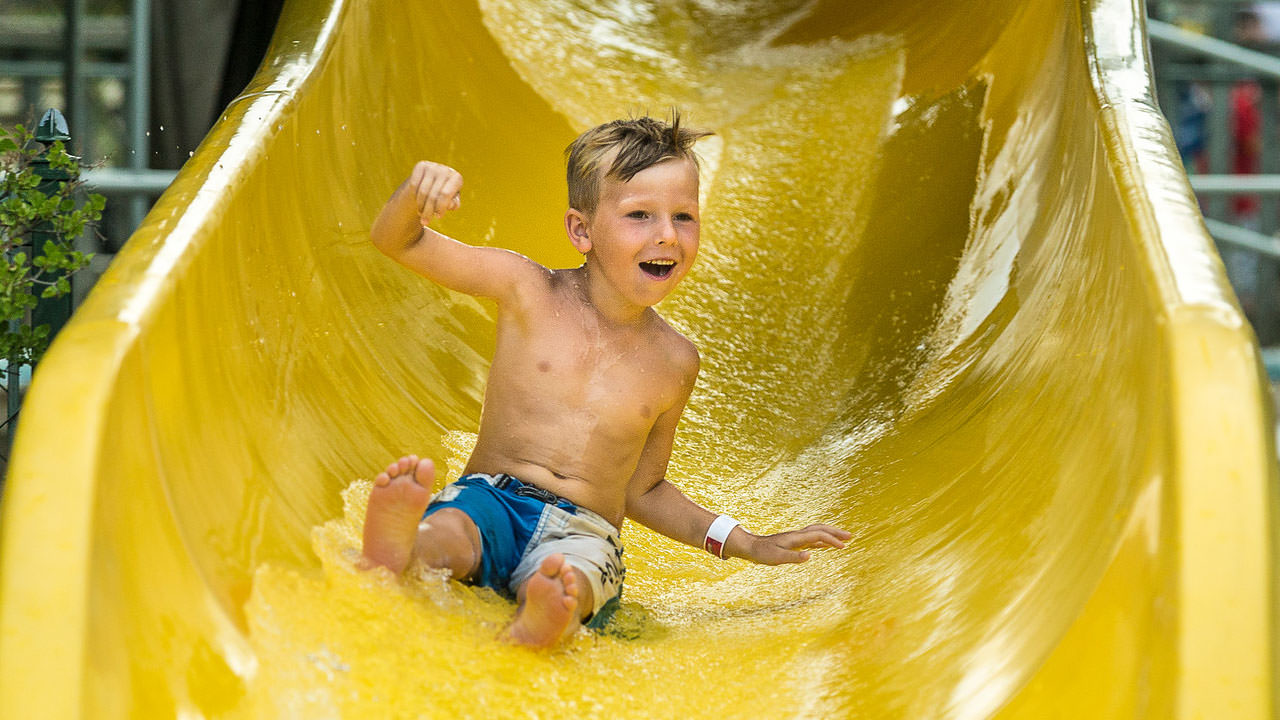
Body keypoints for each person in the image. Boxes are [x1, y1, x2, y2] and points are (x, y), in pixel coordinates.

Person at [359, 113, 852, 648]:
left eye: (684, 216)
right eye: (640, 215)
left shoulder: (675, 361)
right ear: (582, 230)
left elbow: (644, 489)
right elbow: (398, 241)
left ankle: (545, 616)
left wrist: (743, 542)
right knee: (453, 532)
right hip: (491, 497)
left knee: (576, 576)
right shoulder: (526, 290)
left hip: (586, 531)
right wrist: (417, 191)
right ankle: (406, 548)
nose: (667, 235)